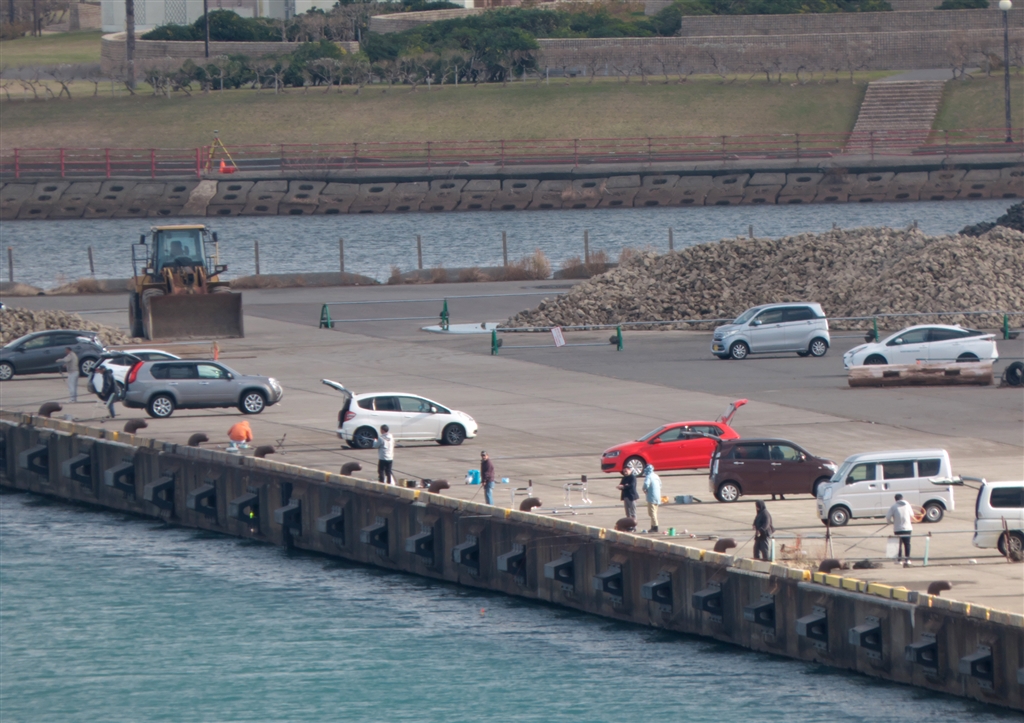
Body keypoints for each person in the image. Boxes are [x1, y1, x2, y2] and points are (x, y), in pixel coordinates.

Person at [886, 493, 914, 566]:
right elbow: (912, 514)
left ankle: (899, 560)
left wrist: (890, 522)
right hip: (907, 528)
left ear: (895, 499)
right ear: (902, 498)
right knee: (907, 544)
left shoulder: (893, 506)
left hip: (898, 528)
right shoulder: (907, 505)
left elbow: (888, 517)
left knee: (898, 544)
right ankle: (907, 560)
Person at [641, 464, 662, 533]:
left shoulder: (648, 476)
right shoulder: (656, 476)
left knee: (651, 513)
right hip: (657, 496)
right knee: (654, 512)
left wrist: (644, 489)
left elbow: (646, 484)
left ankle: (655, 527)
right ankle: (653, 526)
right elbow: (660, 484)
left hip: (651, 496)